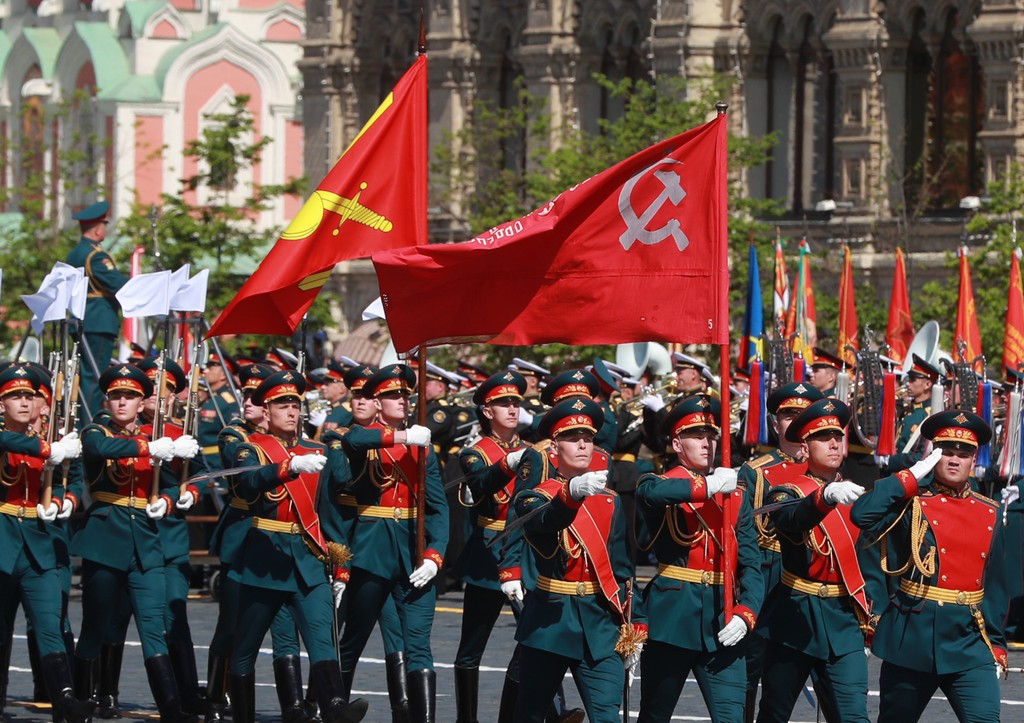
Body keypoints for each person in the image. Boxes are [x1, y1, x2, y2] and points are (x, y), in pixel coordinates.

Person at [227, 370, 367, 723]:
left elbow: (329, 513)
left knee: (323, 637)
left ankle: (334, 706)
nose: (290, 411)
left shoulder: (317, 450)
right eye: (281, 405)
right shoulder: (251, 449)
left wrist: (341, 562)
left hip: (309, 558)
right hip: (265, 559)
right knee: (244, 648)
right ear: (266, 410)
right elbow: (247, 484)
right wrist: (287, 467)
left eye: (294, 405)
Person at [851, 410, 1008, 722]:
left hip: (969, 641)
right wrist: (909, 477)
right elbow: (862, 516)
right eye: (946, 452)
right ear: (933, 455)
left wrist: (997, 644)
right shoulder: (911, 501)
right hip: (912, 638)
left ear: (974, 459)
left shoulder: (990, 511)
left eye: (963, 454)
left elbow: (995, 585)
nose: (954, 460)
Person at [72, 363, 199, 722]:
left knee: (153, 625)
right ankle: (81, 700)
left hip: (146, 541)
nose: (123, 402)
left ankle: (172, 708)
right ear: (107, 400)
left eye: (130, 396)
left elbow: (173, 481)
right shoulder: (96, 429)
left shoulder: (155, 435)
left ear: (142, 401)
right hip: (105, 540)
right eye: (116, 396)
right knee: (96, 625)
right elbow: (100, 448)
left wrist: (171, 499)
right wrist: (150, 447)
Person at [511, 398, 643, 723]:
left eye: (588, 437)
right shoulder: (535, 497)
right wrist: (570, 493)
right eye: (572, 438)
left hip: (600, 623)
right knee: (530, 714)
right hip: (550, 620)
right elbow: (544, 523)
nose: (583, 444)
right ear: (554, 446)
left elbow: (623, 569)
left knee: (607, 717)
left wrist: (635, 626)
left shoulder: (610, 501)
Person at [636, 394, 762, 722]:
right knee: (654, 714)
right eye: (696, 436)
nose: (707, 442)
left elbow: (751, 562)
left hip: (724, 616)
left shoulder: (735, 493)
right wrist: (706, 487)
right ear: (677, 444)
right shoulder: (660, 484)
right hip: (672, 618)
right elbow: (650, 494)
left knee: (732, 717)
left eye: (711, 435)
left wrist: (746, 612)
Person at [336, 364, 447, 721]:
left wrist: (434, 555)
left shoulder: (423, 447)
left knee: (418, 643)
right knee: (355, 634)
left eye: (405, 395)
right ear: (377, 402)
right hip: (372, 549)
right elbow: (353, 440)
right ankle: (334, 705)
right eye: (392, 396)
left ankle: (417, 716)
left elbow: (438, 509)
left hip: (412, 553)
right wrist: (401, 439)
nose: (401, 401)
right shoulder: (370, 438)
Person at [755, 398, 876, 723]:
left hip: (843, 621)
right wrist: (823, 498)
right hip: (794, 617)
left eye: (838, 435)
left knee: (853, 716)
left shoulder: (858, 495)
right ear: (804, 448)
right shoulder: (785, 492)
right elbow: (791, 520)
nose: (834, 443)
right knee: (774, 714)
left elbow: (873, 562)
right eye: (823, 438)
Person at [0, 365, 94, 723]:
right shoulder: (25, 439)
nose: (24, 403)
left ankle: (65, 700)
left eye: (29, 396)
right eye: (14, 396)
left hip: (37, 545)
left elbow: (71, 473)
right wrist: (48, 447)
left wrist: (65, 498)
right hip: (3, 539)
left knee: (49, 623)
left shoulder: (54, 439)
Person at [452, 371, 529, 722]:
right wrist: (507, 463)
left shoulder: (533, 450)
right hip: (490, 550)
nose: (512, 409)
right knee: (472, 646)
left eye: (515, 402)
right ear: (486, 410)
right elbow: (481, 484)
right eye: (503, 403)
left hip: (526, 550)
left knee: (535, 639)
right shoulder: (474, 452)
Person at [66, 201, 127, 421]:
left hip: (82, 318)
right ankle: (89, 424)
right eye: (104, 225)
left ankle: (82, 421)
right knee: (94, 377)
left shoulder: (75, 253)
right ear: (98, 228)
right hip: (98, 320)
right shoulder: (97, 256)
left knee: (84, 376)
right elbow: (119, 285)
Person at [882, 355, 939, 473]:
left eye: (913, 380)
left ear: (927, 385)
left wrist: (890, 461)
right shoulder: (907, 410)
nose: (908, 384)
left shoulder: (930, 415)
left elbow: (922, 457)